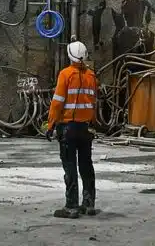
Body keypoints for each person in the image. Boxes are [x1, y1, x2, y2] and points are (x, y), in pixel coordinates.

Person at [46, 40, 100, 218]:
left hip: (68, 128)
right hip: (85, 128)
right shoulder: (91, 76)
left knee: (70, 167)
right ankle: (89, 203)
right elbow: (93, 102)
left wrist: (51, 124)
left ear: (69, 55)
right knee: (86, 165)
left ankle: (71, 206)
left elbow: (57, 102)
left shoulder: (65, 74)